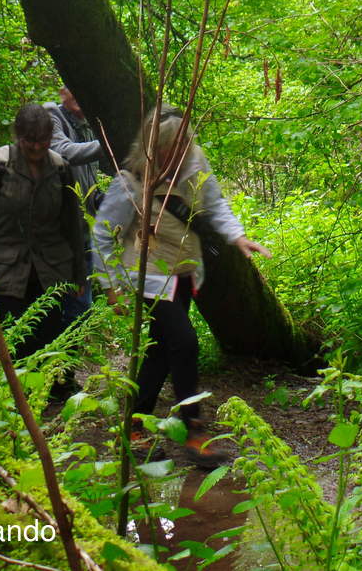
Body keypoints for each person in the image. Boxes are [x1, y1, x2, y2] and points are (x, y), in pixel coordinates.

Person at [93, 103, 270, 464]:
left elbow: (215, 204)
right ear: (153, 147)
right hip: (150, 276)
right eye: (168, 148)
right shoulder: (130, 183)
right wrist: (110, 287)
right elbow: (102, 235)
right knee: (185, 343)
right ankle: (194, 432)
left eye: (182, 147)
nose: (177, 155)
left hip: (186, 271)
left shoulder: (195, 164)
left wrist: (238, 237)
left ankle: (135, 424)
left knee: (161, 351)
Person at [0, 103, 87, 365]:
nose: (37, 148)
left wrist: (78, 275)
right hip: (6, 274)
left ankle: (52, 389)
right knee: (11, 349)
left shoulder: (61, 168)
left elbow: (72, 225)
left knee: (47, 346)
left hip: (51, 273)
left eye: (43, 141)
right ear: (18, 136)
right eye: (30, 141)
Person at [44, 84, 105, 325]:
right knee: (57, 301)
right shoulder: (50, 114)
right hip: (56, 228)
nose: (79, 95)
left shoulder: (87, 128)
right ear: (62, 92)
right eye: (73, 88)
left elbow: (88, 179)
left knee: (80, 304)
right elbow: (63, 152)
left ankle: (72, 344)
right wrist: (109, 143)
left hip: (81, 229)